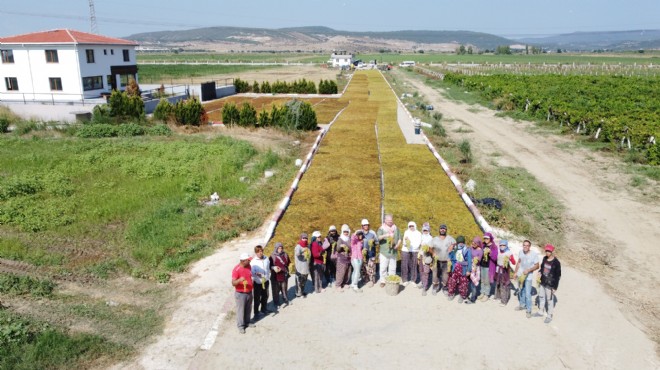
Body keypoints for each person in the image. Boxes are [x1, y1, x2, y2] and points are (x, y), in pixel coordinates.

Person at [535, 244, 561, 323]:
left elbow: (558, 276)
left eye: (549, 251)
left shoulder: (556, 262)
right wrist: (539, 272)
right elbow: (542, 268)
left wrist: (555, 287)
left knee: (549, 300)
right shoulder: (544, 258)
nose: (547, 252)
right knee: (541, 296)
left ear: (552, 251)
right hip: (543, 281)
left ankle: (549, 315)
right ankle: (540, 311)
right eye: (546, 251)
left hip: (550, 284)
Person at [514, 239, 540, 318]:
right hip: (520, 275)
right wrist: (515, 272)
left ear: (529, 247)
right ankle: (522, 305)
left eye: (527, 245)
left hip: (528, 276)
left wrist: (529, 270)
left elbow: (537, 265)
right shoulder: (520, 252)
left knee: (528, 294)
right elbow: (519, 262)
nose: (525, 247)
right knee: (521, 290)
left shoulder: (534, 254)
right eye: (524, 245)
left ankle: (529, 310)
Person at [431, 224, 456, 295]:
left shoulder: (450, 238)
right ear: (439, 230)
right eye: (441, 228)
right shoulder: (435, 239)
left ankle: (445, 288)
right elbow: (429, 247)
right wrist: (433, 253)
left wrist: (452, 245)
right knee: (435, 275)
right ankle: (435, 287)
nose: (442, 230)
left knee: (445, 276)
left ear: (446, 230)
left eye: (444, 229)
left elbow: (455, 242)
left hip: (446, 261)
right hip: (436, 261)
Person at [232, 253, 254, 334]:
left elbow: (250, 275)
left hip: (249, 291)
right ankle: (241, 326)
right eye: (248, 260)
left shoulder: (249, 266)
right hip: (240, 294)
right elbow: (233, 283)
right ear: (243, 261)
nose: (249, 261)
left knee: (248, 308)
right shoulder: (236, 270)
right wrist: (239, 280)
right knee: (241, 310)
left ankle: (247, 322)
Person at [377, 214, 401, 287]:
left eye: (391, 220)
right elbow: (378, 238)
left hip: (393, 252)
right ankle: (383, 281)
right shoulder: (381, 228)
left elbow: (400, 238)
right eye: (388, 221)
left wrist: (397, 245)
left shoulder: (396, 228)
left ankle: (391, 280)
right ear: (385, 220)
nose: (390, 222)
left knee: (393, 267)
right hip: (384, 252)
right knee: (383, 267)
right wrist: (385, 235)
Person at [447, 236, 472, 303]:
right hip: (455, 267)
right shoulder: (455, 249)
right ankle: (451, 293)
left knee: (463, 282)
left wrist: (469, 270)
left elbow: (469, 261)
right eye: (459, 242)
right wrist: (449, 255)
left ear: (464, 242)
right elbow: (450, 256)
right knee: (452, 281)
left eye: (462, 242)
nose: (460, 244)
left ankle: (462, 295)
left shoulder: (467, 250)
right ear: (457, 243)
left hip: (463, 268)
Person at [250, 245, 271, 316]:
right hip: (257, 283)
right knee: (257, 298)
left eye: (261, 251)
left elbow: (268, 268)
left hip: (265, 281)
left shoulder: (266, 258)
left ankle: (264, 309)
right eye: (258, 252)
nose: (260, 253)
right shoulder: (253, 262)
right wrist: (256, 274)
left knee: (266, 296)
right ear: (256, 253)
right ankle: (256, 312)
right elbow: (251, 273)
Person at [495, 240, 516, 306]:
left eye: (503, 245)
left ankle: (504, 301)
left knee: (504, 284)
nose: (502, 246)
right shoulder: (498, 251)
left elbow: (514, 262)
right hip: (498, 268)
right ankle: (498, 296)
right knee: (498, 282)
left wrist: (510, 259)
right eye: (501, 245)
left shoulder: (509, 253)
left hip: (505, 270)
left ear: (506, 245)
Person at [269, 242, 290, 308]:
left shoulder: (285, 254)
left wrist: (284, 269)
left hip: (283, 275)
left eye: (281, 248)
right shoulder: (272, 256)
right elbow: (269, 266)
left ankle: (285, 299)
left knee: (284, 288)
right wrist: (274, 268)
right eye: (279, 248)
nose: (280, 249)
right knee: (275, 290)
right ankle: (276, 302)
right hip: (275, 276)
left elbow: (288, 263)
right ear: (276, 248)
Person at [402, 221, 422, 286]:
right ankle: (405, 280)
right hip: (405, 250)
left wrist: (413, 246)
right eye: (410, 226)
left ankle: (413, 280)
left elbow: (419, 242)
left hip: (415, 250)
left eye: (412, 226)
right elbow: (404, 242)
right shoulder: (406, 232)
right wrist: (407, 243)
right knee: (405, 265)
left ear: (415, 226)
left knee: (414, 265)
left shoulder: (418, 233)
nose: (411, 227)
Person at [480, 232, 499, 301]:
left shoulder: (494, 247)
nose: (486, 239)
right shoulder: (483, 245)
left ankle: (486, 294)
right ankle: (482, 292)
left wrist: (490, 253)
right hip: (482, 265)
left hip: (489, 266)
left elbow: (495, 258)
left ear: (490, 238)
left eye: (487, 238)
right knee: (482, 280)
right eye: (485, 238)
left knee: (487, 281)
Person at [360, 219, 379, 287]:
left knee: (371, 267)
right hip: (363, 254)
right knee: (364, 267)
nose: (366, 226)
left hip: (371, 253)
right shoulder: (360, 233)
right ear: (362, 226)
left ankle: (371, 280)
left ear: (368, 225)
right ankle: (365, 279)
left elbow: (377, 242)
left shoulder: (372, 233)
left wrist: (373, 241)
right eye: (364, 225)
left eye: (367, 225)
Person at [335, 224, 352, 290]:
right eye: (344, 232)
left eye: (347, 231)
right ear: (342, 232)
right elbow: (337, 249)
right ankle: (338, 285)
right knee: (341, 272)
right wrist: (340, 246)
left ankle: (346, 283)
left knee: (348, 272)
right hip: (341, 258)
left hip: (348, 258)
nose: (346, 233)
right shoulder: (340, 239)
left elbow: (351, 247)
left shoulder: (349, 239)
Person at [418, 222, 433, 294]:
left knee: (426, 271)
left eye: (426, 230)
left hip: (427, 256)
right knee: (421, 270)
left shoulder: (430, 238)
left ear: (429, 230)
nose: (425, 232)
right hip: (421, 255)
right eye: (424, 230)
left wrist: (428, 248)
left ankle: (425, 286)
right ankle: (422, 282)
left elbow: (432, 249)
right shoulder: (421, 236)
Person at [294, 233, 311, 298]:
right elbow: (297, 254)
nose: (305, 239)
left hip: (306, 266)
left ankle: (302, 292)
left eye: (306, 238)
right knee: (299, 281)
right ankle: (298, 294)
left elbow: (309, 254)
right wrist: (303, 252)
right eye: (303, 238)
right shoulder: (298, 246)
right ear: (301, 238)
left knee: (304, 281)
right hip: (300, 267)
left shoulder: (308, 246)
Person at [467, 237, 483, 303]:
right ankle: (471, 295)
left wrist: (474, 260)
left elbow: (479, 260)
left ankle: (473, 299)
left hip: (475, 268)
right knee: (470, 282)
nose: (473, 243)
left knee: (473, 284)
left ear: (478, 243)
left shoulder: (480, 250)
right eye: (473, 242)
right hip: (470, 266)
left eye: (475, 242)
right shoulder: (471, 248)